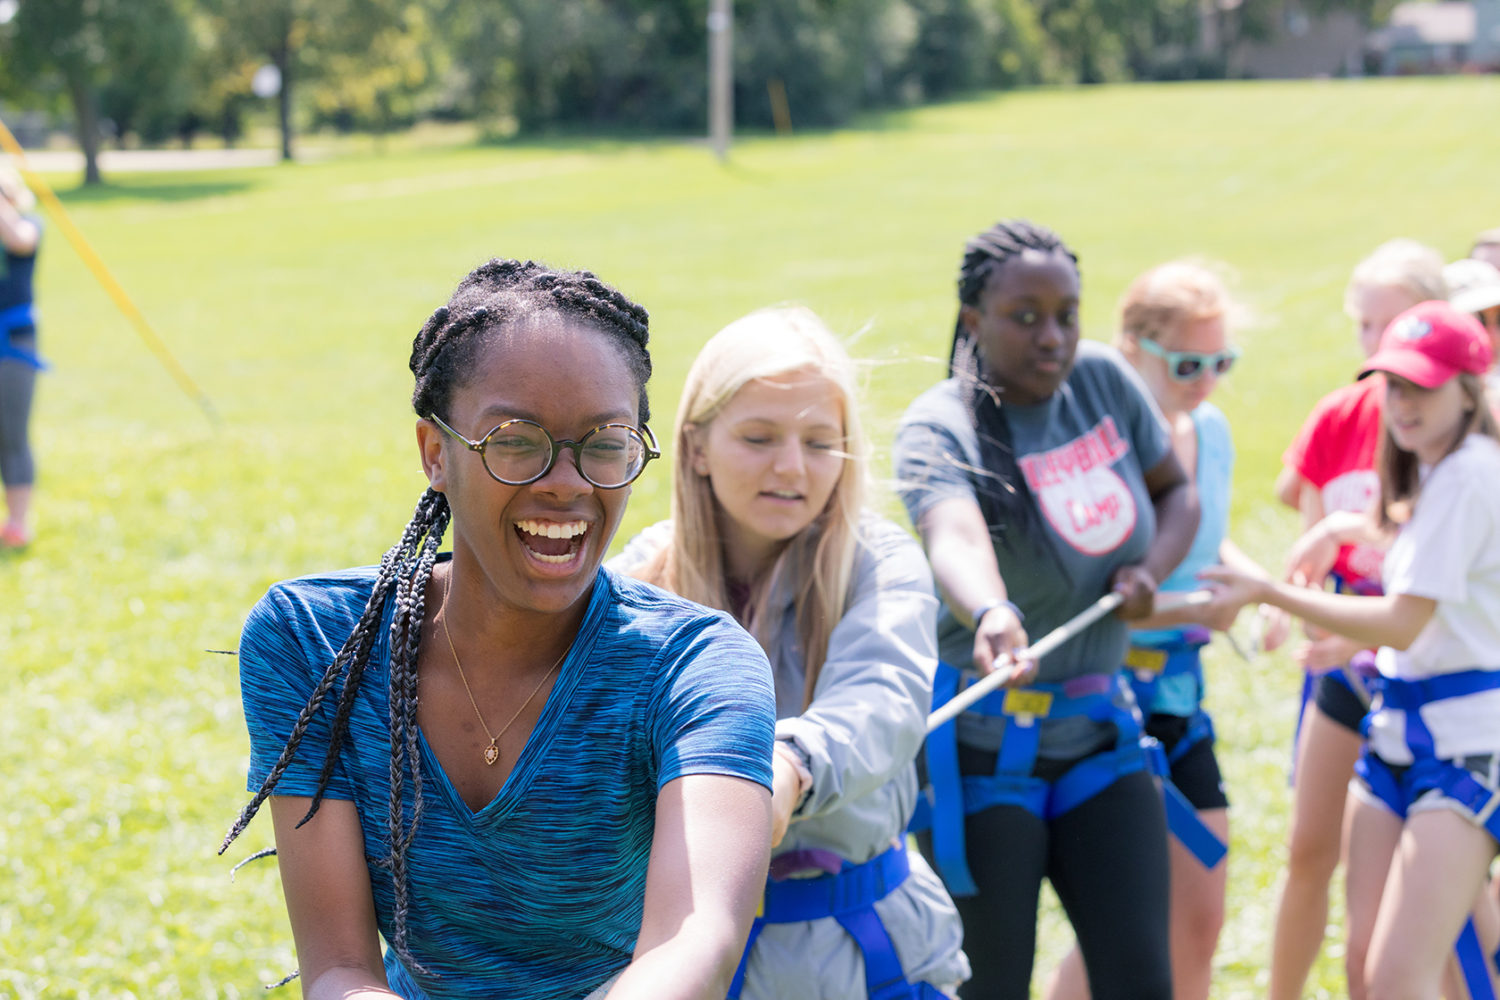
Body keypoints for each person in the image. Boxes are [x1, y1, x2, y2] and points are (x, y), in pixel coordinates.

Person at [222, 259, 779, 1000]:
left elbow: (694, 937)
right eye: (516, 440)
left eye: (606, 441)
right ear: (435, 453)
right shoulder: (313, 641)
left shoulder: (698, 667)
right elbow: (340, 968)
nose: (568, 483)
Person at [612, 305, 969, 999]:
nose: (791, 467)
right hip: (686, 960)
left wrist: (789, 764)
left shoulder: (879, 562)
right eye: (758, 437)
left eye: (819, 441)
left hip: (865, 959)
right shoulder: (640, 579)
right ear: (694, 447)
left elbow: (884, 701)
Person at [894, 219, 1199, 1000]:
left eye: (1067, 313)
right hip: (983, 754)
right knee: (988, 987)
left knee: (1141, 981)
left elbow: (1177, 492)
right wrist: (992, 612)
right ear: (974, 321)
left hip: (1103, 733)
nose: (1053, 336)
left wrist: (1150, 569)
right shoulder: (941, 424)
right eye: (1025, 317)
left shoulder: (1102, 381)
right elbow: (953, 534)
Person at [1205, 299, 1500, 1000]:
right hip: (1396, 736)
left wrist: (1266, 591)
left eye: (1422, 387)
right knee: (1370, 966)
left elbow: (1401, 622)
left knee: (1403, 975)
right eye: (1393, 385)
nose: (1402, 404)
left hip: (1465, 752)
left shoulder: (1469, 474)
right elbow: (1401, 534)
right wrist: (1331, 530)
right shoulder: (1437, 467)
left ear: (1469, 388)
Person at [1046, 260, 1267, 1000]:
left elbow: (1208, 541)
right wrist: (1203, 609)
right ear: (1131, 348)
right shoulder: (1100, 450)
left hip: (1181, 697)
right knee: (1120, 929)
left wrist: (1253, 585)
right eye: (1187, 363)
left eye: (1220, 362)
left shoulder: (1210, 430)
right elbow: (1095, 602)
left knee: (1201, 913)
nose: (1205, 379)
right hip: (1110, 705)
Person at [1266, 238, 1447, 1000]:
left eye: (1392, 326)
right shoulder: (1340, 416)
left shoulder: (1450, 439)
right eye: (1363, 328)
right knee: (1312, 851)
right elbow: (1309, 520)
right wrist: (1316, 623)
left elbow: (1434, 596)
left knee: (1432, 897)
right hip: (1343, 676)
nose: (1376, 348)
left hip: (1432, 687)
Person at [0, 165, 42, 550]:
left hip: (12, 344)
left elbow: (20, 241)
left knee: (11, 434)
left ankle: (17, 524)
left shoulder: (28, 224)